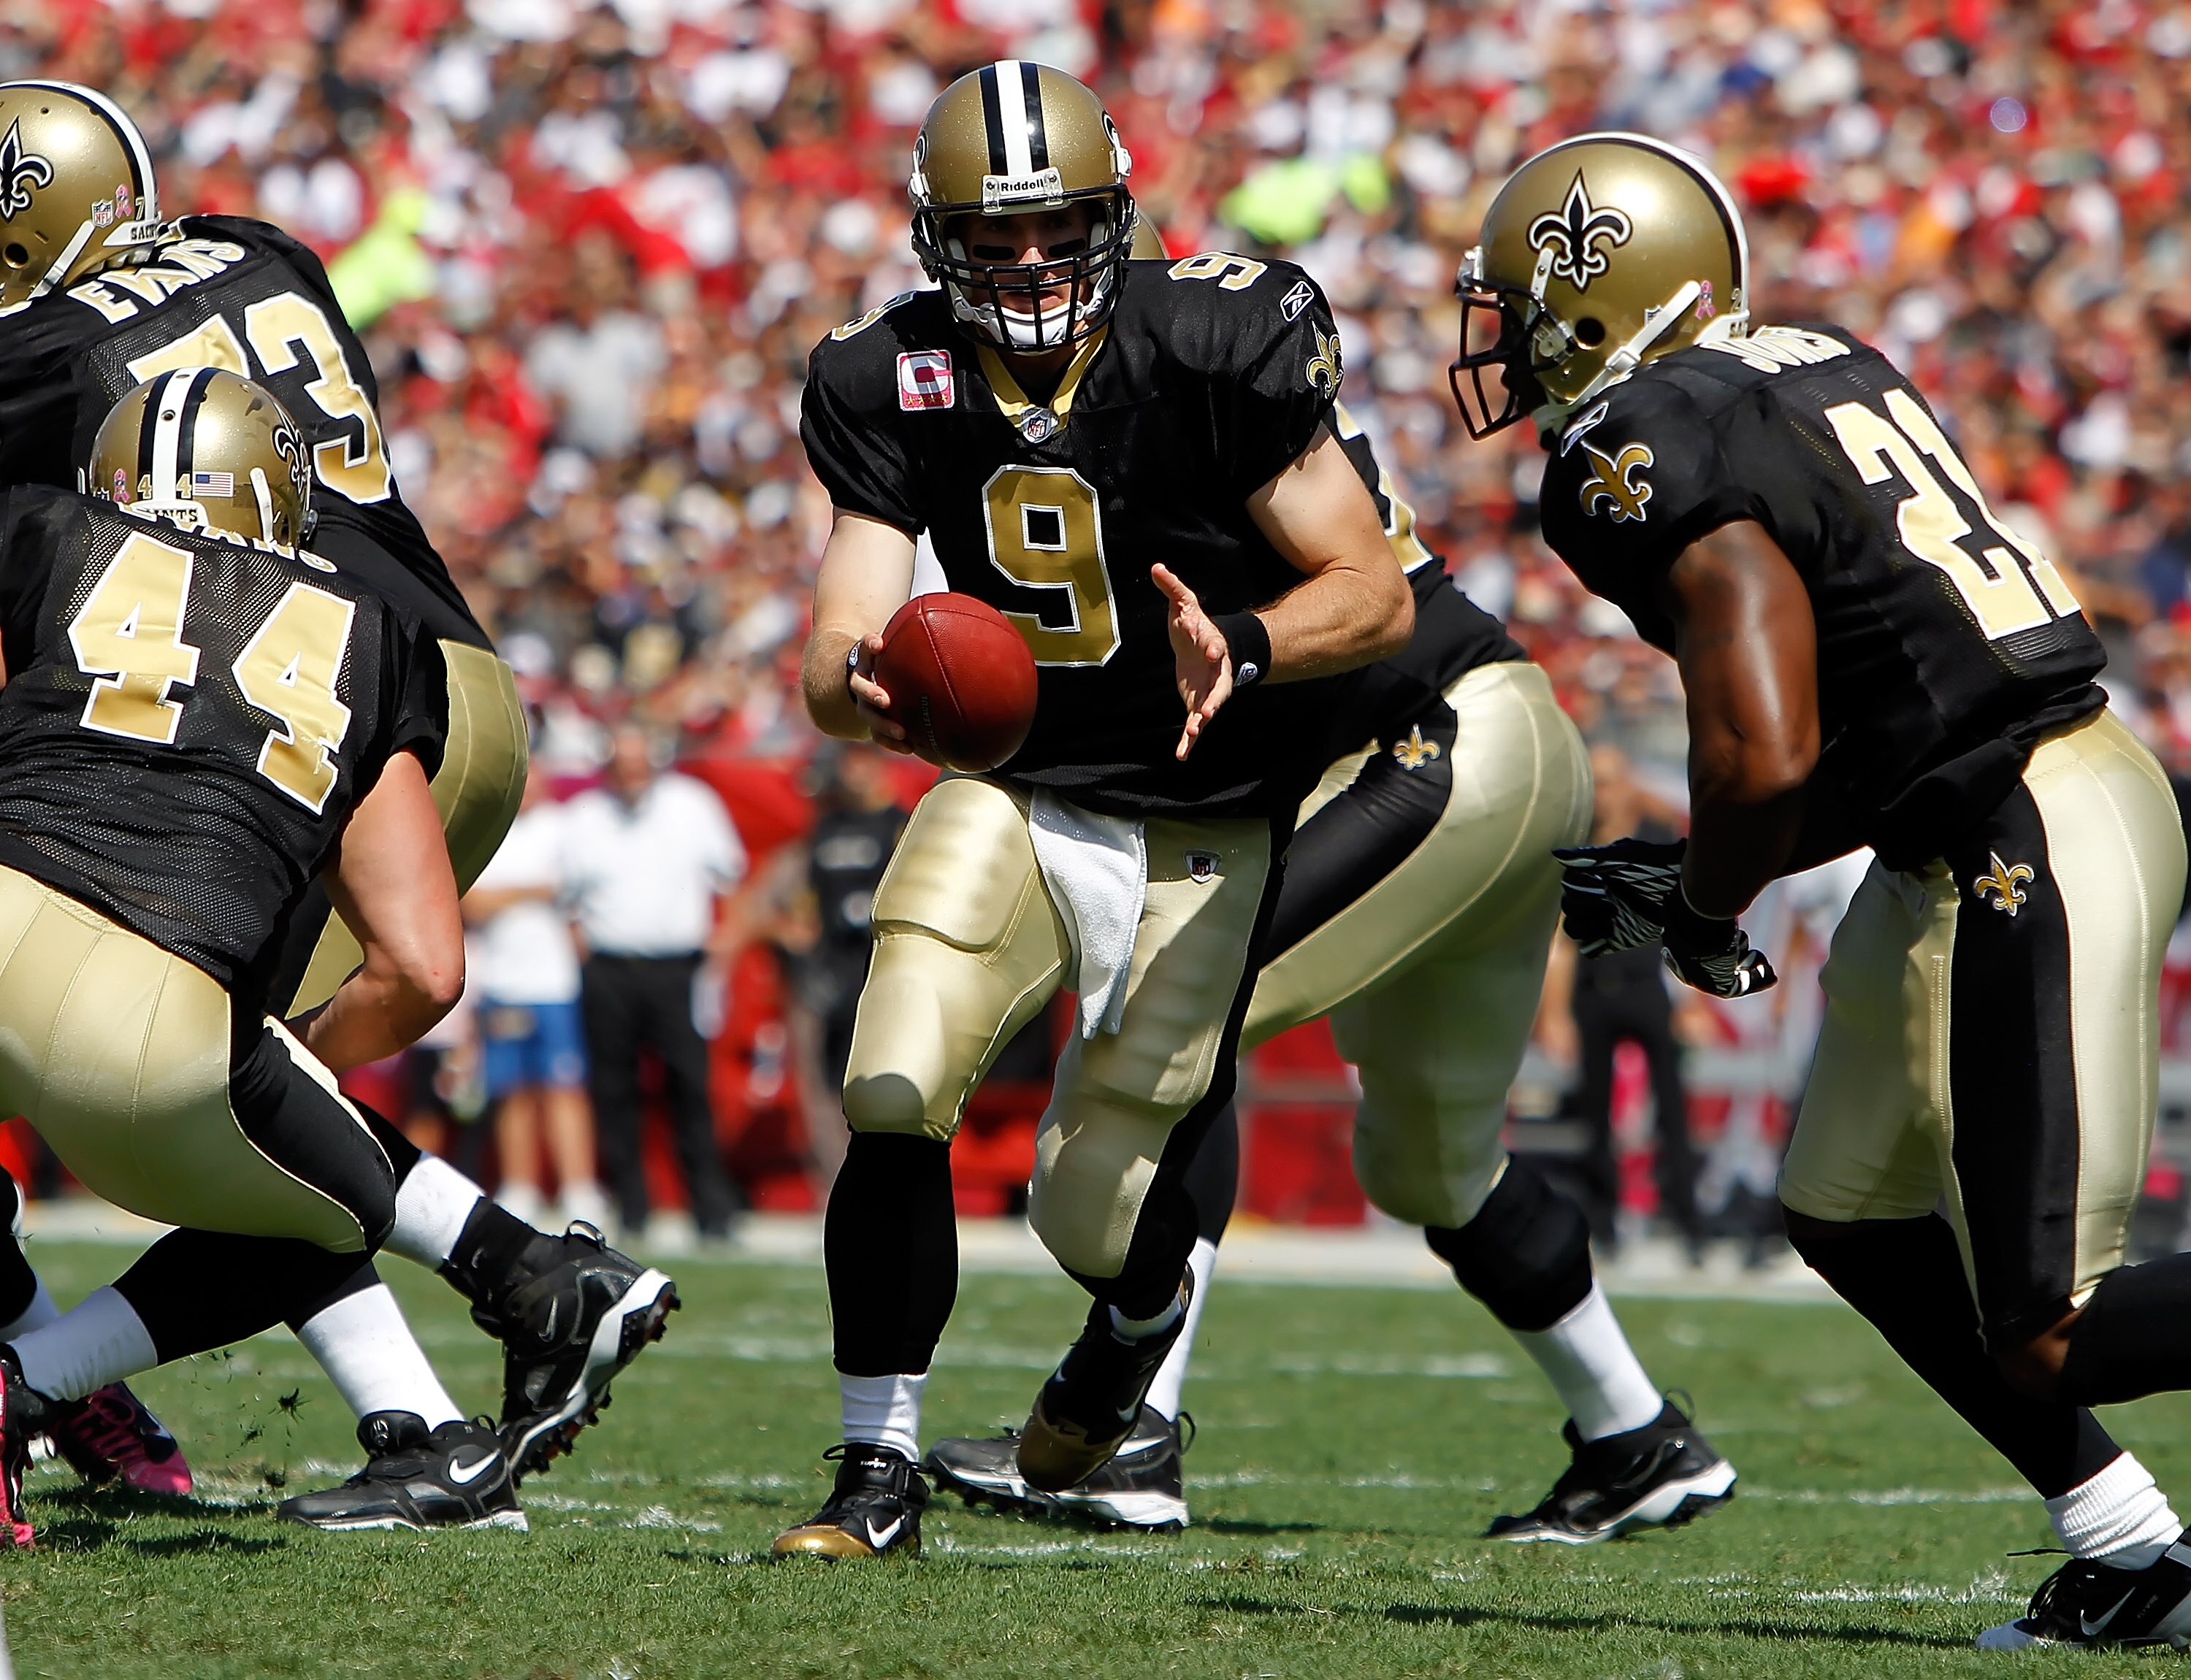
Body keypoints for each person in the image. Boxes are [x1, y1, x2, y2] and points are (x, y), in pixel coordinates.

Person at [1459, 131, 2191, 1649]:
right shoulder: (1805, 360)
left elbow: (1768, 748)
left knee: (2055, 1328)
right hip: (2002, 801)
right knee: (1847, 1209)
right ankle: (2132, 1548)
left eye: (1521, 305)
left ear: (1602, 299)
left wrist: (1708, 909)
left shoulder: (1636, 450)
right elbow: (1871, 731)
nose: (1502, 342)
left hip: (2026, 829)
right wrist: (1699, 868)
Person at [0, 80, 676, 1506]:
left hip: (259, 694)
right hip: (424, 661)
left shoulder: (42, 345)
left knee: (228, 1081)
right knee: (261, 1082)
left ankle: (43, 1370)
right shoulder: (262, 247)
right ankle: (421, 1401)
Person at [776, 60, 1413, 1559]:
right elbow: (837, 636)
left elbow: (1373, 591)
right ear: (938, 240)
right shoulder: (890, 374)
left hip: (1204, 807)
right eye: (992, 239)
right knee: (893, 1073)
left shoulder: (1212, 342)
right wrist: (854, 681)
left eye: (1056, 229)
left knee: (1092, 1213)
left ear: (1112, 217)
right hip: (1021, 782)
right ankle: (876, 1467)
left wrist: (1244, 644)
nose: (1028, 264)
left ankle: (1138, 1317)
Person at [925, 366, 1733, 1540]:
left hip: (1431, 747)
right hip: (1504, 741)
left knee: (1181, 1011)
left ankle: (1132, 1430)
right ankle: (1635, 1433)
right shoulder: (1218, 388)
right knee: (1432, 1168)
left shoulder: (1169, 411)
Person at [0, 367, 486, 1540]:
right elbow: (422, 967)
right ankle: (39, 1382)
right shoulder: (371, 627)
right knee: (316, 1206)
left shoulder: (37, 530)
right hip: (166, 999)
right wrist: (286, 1059)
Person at [560, 721, 746, 1244]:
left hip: (675, 967)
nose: (632, 776)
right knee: (615, 1090)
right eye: (622, 766)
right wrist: (581, 946)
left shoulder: (692, 805)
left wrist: (722, 943)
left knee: (689, 1086)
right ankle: (633, 1207)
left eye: (639, 765)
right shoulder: (585, 817)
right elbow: (566, 898)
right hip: (610, 967)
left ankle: (711, 1208)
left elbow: (730, 876)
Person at [1547, 745, 1702, 1257]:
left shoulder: (1656, 839)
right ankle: (1604, 1219)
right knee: (1594, 1111)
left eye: (1612, 780)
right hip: (1594, 989)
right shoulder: (1576, 846)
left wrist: (1694, 996)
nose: (1604, 793)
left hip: (1646, 984)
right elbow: (1562, 940)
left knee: (1672, 1106)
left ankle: (1684, 1214)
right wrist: (1555, 1015)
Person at [465, 760, 611, 1232]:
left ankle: (579, 1187)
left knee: (564, 1086)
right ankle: (520, 1184)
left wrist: (511, 894)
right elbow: (473, 902)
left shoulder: (562, 829)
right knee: (512, 1090)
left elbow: (570, 888)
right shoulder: (491, 830)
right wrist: (530, 892)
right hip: (505, 982)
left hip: (554, 983)